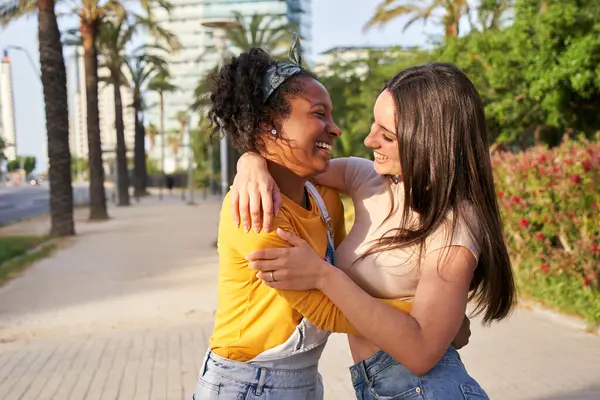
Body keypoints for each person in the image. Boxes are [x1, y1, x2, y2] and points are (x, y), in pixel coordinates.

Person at [196, 42, 470, 400]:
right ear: (268, 125)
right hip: (244, 384)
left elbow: (340, 283)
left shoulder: (325, 200)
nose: (336, 128)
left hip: (305, 381)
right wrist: (425, 326)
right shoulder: (253, 211)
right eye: (318, 114)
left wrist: (251, 158)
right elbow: (327, 307)